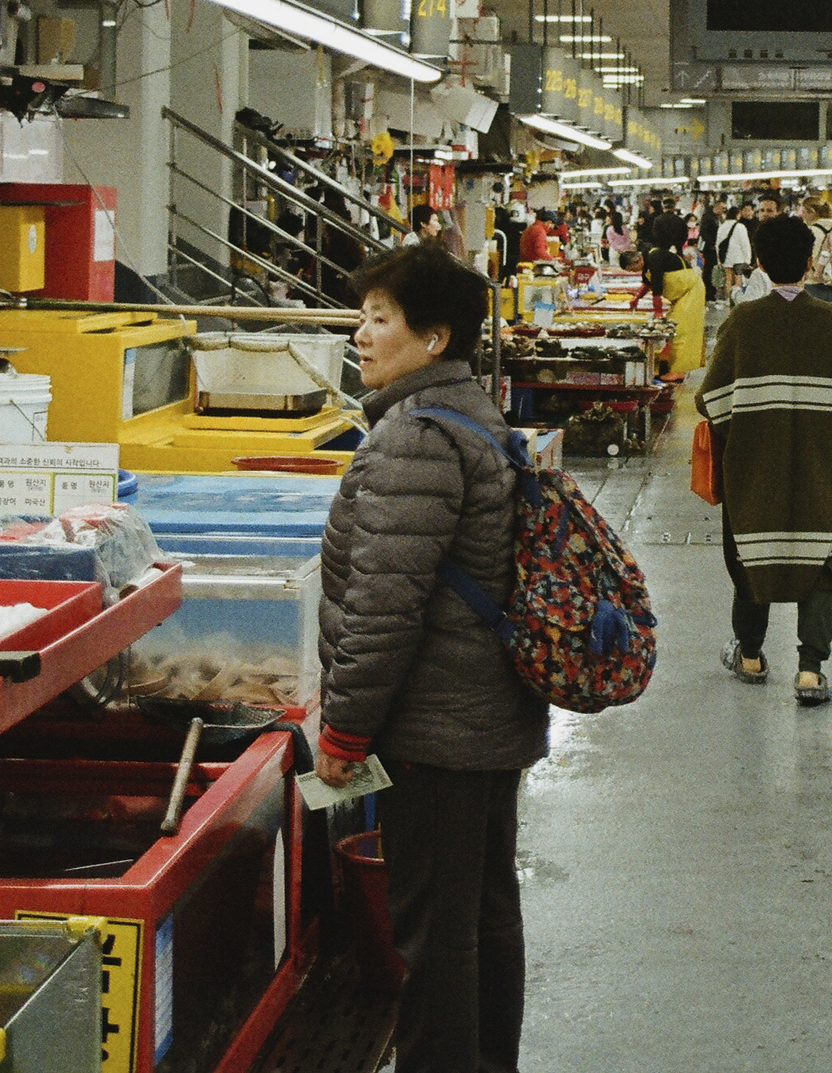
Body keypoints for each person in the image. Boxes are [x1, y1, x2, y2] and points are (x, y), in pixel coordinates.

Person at [314, 246, 545, 1073]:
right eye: (364, 313)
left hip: (437, 726)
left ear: (435, 337)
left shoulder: (414, 438)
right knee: (483, 917)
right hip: (484, 715)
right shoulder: (470, 415)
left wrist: (344, 730)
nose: (360, 332)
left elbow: (385, 605)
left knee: (435, 939)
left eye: (380, 318)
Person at [698, 216, 832, 706]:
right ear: (808, 263)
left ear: (758, 261)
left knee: (751, 551)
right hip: (825, 465)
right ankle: (810, 672)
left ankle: (751, 656)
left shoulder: (743, 321)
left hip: (754, 465)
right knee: (823, 557)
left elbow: (710, 398)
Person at [640, 244, 705, 378]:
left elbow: (656, 287)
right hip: (680, 297)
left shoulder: (654, 259)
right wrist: (636, 299)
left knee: (680, 330)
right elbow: (648, 284)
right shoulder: (648, 262)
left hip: (691, 291)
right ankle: (670, 364)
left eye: (631, 268)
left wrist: (658, 312)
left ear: (636, 261)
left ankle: (678, 371)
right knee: (674, 327)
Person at [715, 204, 756, 298]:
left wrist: (719, 260)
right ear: (737, 215)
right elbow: (745, 244)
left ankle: (728, 299)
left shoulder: (722, 226)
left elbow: (718, 244)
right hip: (739, 258)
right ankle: (737, 300)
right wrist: (748, 259)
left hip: (726, 258)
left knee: (728, 280)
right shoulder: (740, 227)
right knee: (738, 280)